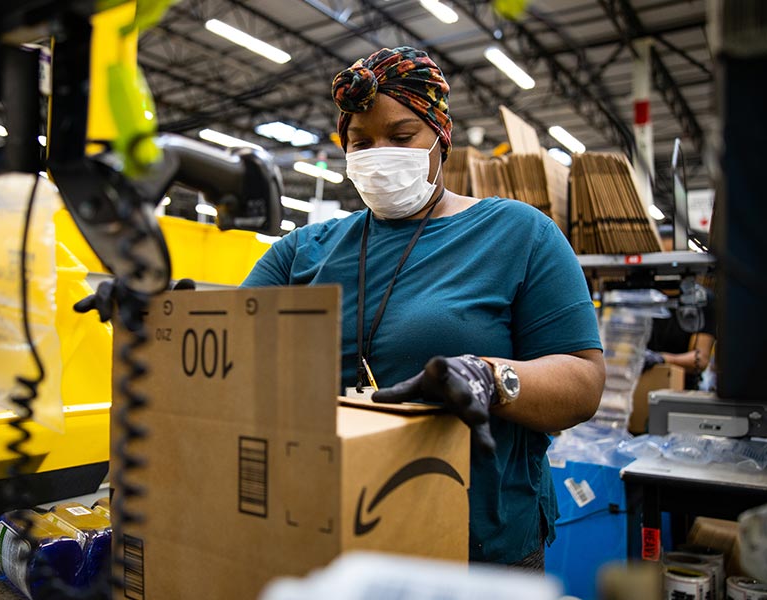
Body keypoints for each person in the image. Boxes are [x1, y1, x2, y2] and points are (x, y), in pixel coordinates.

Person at [241, 46, 604, 568]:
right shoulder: (302, 251)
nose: (380, 154)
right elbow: (229, 344)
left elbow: (584, 382)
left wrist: (489, 378)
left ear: (440, 135)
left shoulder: (519, 234)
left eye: (402, 136)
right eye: (361, 142)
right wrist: (166, 313)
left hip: (477, 547)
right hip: (330, 533)